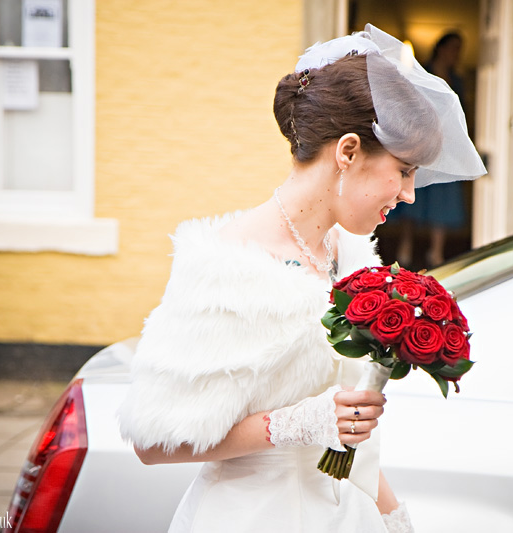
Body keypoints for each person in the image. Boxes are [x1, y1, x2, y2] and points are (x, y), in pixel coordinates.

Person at [118, 25, 484, 532]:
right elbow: (152, 443)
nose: (410, 195)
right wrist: (296, 423)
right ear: (349, 151)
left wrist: (392, 515)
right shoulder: (228, 266)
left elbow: (350, 428)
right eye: (403, 171)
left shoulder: (352, 257)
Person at [393, 31, 469, 268]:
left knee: (443, 194)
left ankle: (436, 251)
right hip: (420, 141)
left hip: (445, 145)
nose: (456, 54)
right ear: (441, 48)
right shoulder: (420, 72)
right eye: (453, 47)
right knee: (413, 193)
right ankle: (405, 245)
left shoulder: (457, 80)